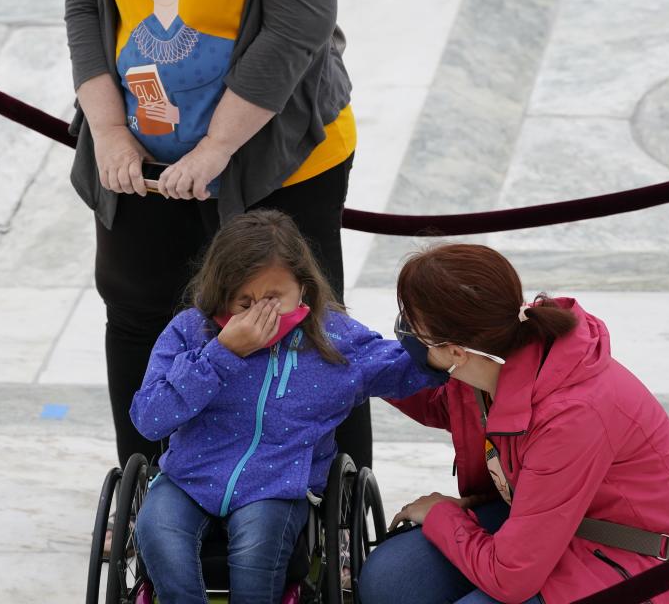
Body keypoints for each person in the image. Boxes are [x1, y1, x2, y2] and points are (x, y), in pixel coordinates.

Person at [63, 0, 373, 477]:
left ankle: (330, 509)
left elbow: (298, 24)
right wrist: (111, 130)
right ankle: (151, 491)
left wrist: (216, 147)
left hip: (280, 158)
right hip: (142, 154)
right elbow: (86, 8)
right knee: (139, 316)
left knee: (306, 323)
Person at [358, 244, 669, 604]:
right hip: (555, 524)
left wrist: (442, 515)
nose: (404, 330)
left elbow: (510, 578)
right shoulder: (493, 352)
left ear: (455, 352)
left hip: (640, 565)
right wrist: (353, 359)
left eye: (412, 324)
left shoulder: (573, 416)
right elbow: (441, 404)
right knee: (390, 579)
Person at [130, 211, 443, 603]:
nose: (260, 313)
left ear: (303, 289)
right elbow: (149, 418)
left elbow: (403, 367)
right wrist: (222, 353)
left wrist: (446, 344)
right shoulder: (191, 332)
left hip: (276, 485)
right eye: (244, 302)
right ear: (220, 292)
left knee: (257, 553)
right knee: (157, 534)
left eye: (273, 299)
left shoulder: (336, 341)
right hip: (188, 478)